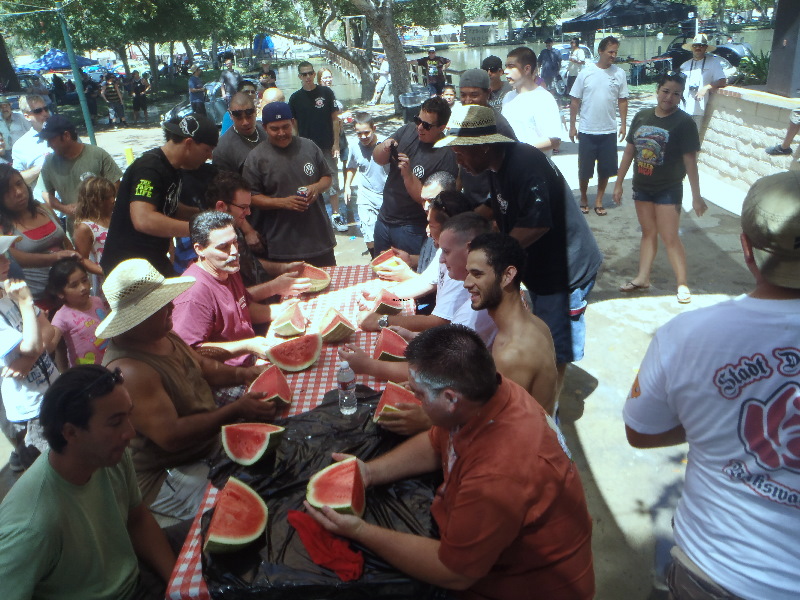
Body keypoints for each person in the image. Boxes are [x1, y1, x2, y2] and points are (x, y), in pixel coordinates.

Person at [308, 324, 595, 599]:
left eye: (419, 394)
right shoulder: (489, 392)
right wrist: (369, 472)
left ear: (449, 398)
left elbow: (455, 572)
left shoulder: (497, 475)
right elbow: (437, 440)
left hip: (528, 587)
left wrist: (359, 530)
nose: (414, 397)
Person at [623, 171, 800, 600]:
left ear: (745, 248)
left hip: (717, 570)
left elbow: (640, 431)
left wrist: (712, 422)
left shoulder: (685, 336)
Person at [438, 104, 603, 399]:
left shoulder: (526, 163)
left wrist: (489, 255)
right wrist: (464, 226)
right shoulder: (496, 166)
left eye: (462, 151)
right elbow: (496, 203)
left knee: (555, 345)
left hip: (565, 270)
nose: (458, 159)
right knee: (540, 327)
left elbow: (537, 224)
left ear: (485, 148)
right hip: (538, 269)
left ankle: (549, 413)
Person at [99, 258, 277, 522]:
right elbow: (171, 436)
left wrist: (244, 374)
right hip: (168, 472)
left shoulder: (162, 334)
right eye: (161, 305)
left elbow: (202, 366)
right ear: (138, 318)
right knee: (244, 512)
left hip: (205, 445)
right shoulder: (129, 370)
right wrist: (234, 410)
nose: (172, 306)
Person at [0, 364, 177, 599]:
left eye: (128, 416)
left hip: (134, 574)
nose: (130, 432)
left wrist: (179, 583)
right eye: (115, 423)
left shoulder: (111, 454)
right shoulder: (32, 527)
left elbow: (138, 519)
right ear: (71, 433)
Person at [347, 212, 498, 387]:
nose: (441, 259)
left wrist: (369, 366)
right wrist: (415, 336)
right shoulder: (474, 298)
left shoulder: (474, 312)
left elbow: (437, 370)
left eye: (446, 252)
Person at [613, 73, 707, 304]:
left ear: (680, 97)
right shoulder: (642, 116)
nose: (669, 97)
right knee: (647, 233)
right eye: (666, 91)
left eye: (676, 94)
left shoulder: (684, 123)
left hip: (669, 189)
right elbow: (629, 152)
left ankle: (682, 283)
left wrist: (696, 196)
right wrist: (618, 183)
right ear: (658, 90)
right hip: (642, 187)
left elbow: (690, 161)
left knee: (669, 236)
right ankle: (642, 277)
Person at [101, 114, 218, 277]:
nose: (210, 157)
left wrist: (205, 215)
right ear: (189, 143)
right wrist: (199, 230)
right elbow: (143, 219)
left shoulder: (174, 169)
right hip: (128, 268)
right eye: (207, 150)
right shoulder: (149, 169)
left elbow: (168, 206)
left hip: (153, 260)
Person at [171, 211, 272, 366]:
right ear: (199, 249)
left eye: (235, 243)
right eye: (223, 247)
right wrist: (247, 346)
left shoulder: (228, 269)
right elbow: (188, 351)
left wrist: (281, 312)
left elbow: (245, 308)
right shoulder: (193, 293)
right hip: (226, 376)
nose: (234, 251)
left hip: (250, 359)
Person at [242, 102, 336, 266]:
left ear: (292, 122)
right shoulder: (256, 158)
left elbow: (327, 178)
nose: (281, 133)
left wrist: (315, 188)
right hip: (282, 246)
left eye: (285, 127)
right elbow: (250, 198)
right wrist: (283, 203)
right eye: (274, 128)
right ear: (264, 127)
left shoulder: (309, 147)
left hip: (319, 239)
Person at [0, 239, 60, 471]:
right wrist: (26, 304)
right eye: (0, 258)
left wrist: (31, 357)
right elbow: (33, 345)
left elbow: (48, 330)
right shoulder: (18, 298)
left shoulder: (8, 295)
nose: (7, 261)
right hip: (31, 408)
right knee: (50, 467)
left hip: (51, 387)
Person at [204, 170, 310, 300]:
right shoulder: (212, 245)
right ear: (221, 206)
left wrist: (284, 268)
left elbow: (249, 263)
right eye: (243, 207)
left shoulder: (232, 226)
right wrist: (274, 287)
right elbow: (234, 301)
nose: (248, 213)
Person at [373, 96, 458, 256]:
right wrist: (384, 147)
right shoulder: (408, 130)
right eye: (417, 120)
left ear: (442, 127)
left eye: (426, 125)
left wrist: (408, 176)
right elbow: (378, 159)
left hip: (411, 227)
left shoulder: (446, 155)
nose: (419, 127)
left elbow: (430, 201)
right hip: (384, 218)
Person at [0, 164, 79, 302]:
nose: (18, 192)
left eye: (19, 183)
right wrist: (55, 258)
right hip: (37, 301)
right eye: (7, 191)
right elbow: (13, 257)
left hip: (70, 294)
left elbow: (65, 243)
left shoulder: (43, 208)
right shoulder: (3, 228)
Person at [569, 35, 629, 216]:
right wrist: (573, 126)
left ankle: (599, 200)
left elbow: (623, 101)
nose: (613, 55)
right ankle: (584, 197)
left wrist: (624, 125)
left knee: (606, 169)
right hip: (587, 130)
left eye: (616, 52)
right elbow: (574, 101)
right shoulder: (585, 73)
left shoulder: (620, 73)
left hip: (608, 130)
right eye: (610, 51)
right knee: (585, 170)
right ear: (600, 51)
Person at [288, 62, 346, 232]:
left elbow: (335, 120)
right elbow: (294, 126)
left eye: (310, 73)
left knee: (332, 179)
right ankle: (316, 217)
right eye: (304, 74)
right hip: (305, 149)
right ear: (299, 76)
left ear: (314, 74)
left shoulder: (326, 93)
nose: (307, 77)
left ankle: (336, 214)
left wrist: (336, 144)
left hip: (327, 146)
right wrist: (294, 147)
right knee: (309, 182)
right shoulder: (295, 98)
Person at [39, 114, 123, 230]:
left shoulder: (97, 154)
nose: (48, 144)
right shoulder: (49, 162)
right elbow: (45, 193)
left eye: (51, 140)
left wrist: (93, 204)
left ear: (66, 136)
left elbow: (116, 184)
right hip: (75, 230)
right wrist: (65, 208)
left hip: (106, 227)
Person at [47, 257, 109, 369]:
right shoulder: (61, 316)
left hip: (109, 363)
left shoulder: (97, 301)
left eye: (84, 280)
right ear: (60, 293)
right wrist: (42, 326)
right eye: (74, 285)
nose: (83, 287)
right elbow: (50, 346)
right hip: (86, 373)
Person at [343, 111, 388, 258]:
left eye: (366, 133)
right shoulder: (355, 147)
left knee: (388, 233)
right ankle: (374, 259)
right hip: (366, 195)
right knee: (369, 233)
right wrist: (347, 186)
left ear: (374, 128)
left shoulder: (386, 143)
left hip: (387, 195)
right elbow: (351, 166)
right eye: (359, 133)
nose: (363, 137)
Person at [502, 47, 562, 154]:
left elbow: (554, 141)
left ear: (527, 69)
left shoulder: (544, 98)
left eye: (511, 67)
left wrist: (517, 149)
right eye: (506, 67)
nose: (506, 71)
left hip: (535, 167)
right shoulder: (508, 97)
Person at [317, 68, 351, 230]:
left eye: (330, 77)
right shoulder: (318, 99)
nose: (328, 80)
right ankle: (325, 212)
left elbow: (337, 120)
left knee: (340, 168)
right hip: (325, 141)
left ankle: (339, 208)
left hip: (339, 137)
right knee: (324, 174)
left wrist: (342, 119)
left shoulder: (334, 97)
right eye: (325, 78)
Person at [73, 175, 115, 295]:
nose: (112, 200)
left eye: (113, 195)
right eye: (107, 197)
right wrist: (104, 271)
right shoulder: (85, 227)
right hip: (106, 277)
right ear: (94, 200)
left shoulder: (115, 216)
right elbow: (82, 259)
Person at [679, 34, 726, 131]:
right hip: (682, 108)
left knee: (694, 138)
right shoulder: (685, 65)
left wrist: (706, 88)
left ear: (705, 48)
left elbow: (722, 81)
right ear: (692, 48)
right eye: (695, 45)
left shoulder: (713, 62)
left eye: (701, 45)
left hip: (698, 110)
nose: (698, 48)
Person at [212, 91, 266, 175]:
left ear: (255, 111)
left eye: (249, 116)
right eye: (239, 118)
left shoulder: (267, 131)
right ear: (230, 115)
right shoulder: (222, 149)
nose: (245, 122)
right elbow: (225, 185)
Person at [11, 94, 52, 204]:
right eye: (38, 111)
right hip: (47, 209)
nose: (45, 113)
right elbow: (17, 180)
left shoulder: (65, 132)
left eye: (46, 109)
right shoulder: (20, 146)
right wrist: (41, 167)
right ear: (27, 116)